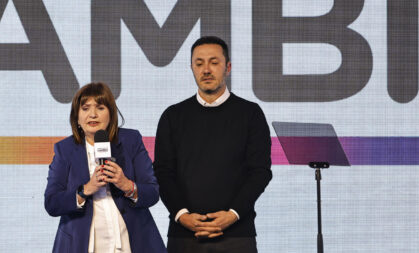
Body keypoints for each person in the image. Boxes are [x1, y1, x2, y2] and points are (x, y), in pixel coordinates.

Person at [153, 36, 273, 253]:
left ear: (228, 67)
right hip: (184, 236)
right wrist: (183, 216)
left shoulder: (250, 114)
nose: (206, 70)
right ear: (191, 68)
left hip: (237, 235)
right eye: (199, 64)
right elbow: (163, 173)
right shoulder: (173, 116)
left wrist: (232, 215)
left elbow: (260, 172)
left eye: (214, 62)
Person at [44, 82, 166, 253]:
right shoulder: (65, 150)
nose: (93, 115)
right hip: (83, 244)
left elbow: (152, 193)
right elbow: (52, 203)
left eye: (100, 108)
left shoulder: (131, 140)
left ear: (111, 113)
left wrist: (127, 185)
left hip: (131, 240)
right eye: (85, 108)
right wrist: (85, 189)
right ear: (77, 117)